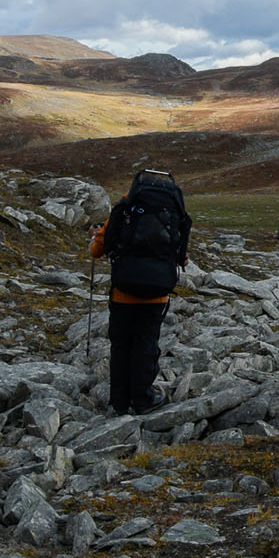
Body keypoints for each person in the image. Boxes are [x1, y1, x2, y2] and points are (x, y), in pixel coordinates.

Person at [88, 169, 192, 415]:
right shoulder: (172, 210)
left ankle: (120, 402)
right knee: (147, 343)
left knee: (121, 345)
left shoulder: (125, 206)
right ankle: (143, 399)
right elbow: (182, 257)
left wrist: (95, 238)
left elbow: (97, 251)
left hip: (123, 291)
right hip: (157, 293)